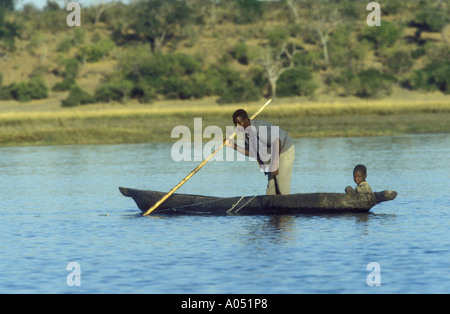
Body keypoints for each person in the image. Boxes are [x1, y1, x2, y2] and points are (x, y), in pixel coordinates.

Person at [225, 109, 295, 195]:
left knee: (281, 183)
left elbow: (277, 141)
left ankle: (286, 205)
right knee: (271, 187)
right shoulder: (246, 134)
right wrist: (233, 146)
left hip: (283, 148)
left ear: (246, 120)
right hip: (270, 154)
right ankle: (271, 206)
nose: (237, 126)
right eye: (235, 124)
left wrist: (275, 163)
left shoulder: (259, 128)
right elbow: (252, 153)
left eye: (239, 123)